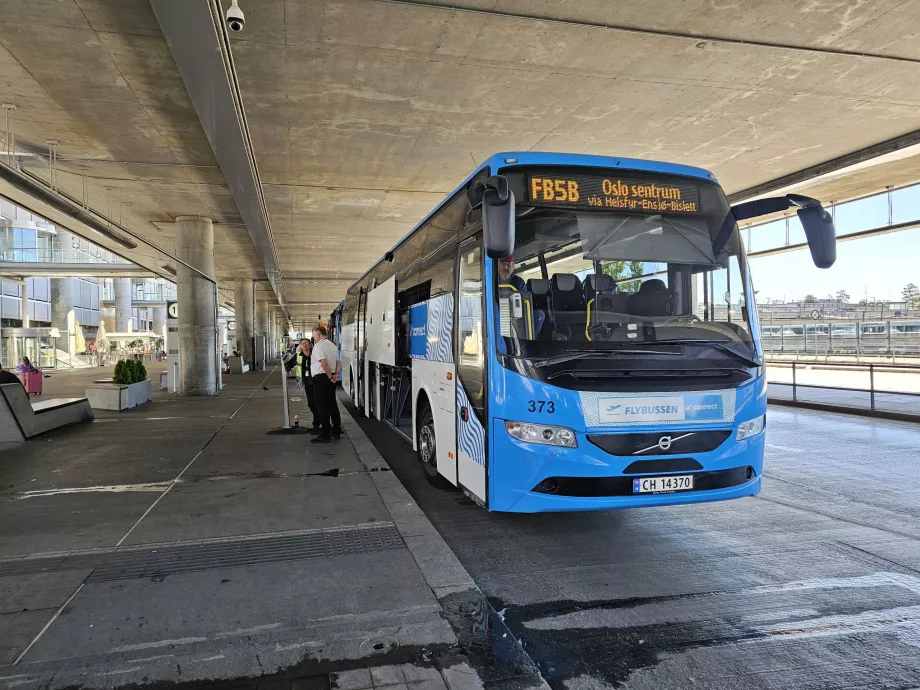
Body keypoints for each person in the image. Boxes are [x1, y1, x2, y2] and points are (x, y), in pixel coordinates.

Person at [497, 256, 545, 338]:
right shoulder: (491, 279)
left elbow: (524, 303)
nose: (506, 267)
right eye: (503, 263)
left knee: (539, 314)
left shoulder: (519, 282)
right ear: (497, 265)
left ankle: (526, 342)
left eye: (509, 264)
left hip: (517, 314)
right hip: (497, 313)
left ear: (513, 266)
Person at [310, 325, 341, 443]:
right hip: (331, 376)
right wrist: (335, 376)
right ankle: (336, 431)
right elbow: (338, 362)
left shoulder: (319, 346)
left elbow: (323, 364)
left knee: (322, 406)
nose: (314, 338)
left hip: (322, 378)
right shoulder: (332, 345)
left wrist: (329, 376)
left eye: (314, 336)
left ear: (318, 335)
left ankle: (325, 433)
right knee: (333, 405)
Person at [286, 338, 319, 432]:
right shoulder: (298, 356)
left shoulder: (315, 354)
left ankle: (317, 423)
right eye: (302, 343)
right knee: (311, 403)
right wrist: (288, 371)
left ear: (310, 345)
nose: (304, 345)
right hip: (307, 382)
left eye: (306, 343)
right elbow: (288, 364)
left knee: (319, 403)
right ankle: (318, 420)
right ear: (300, 345)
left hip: (317, 381)